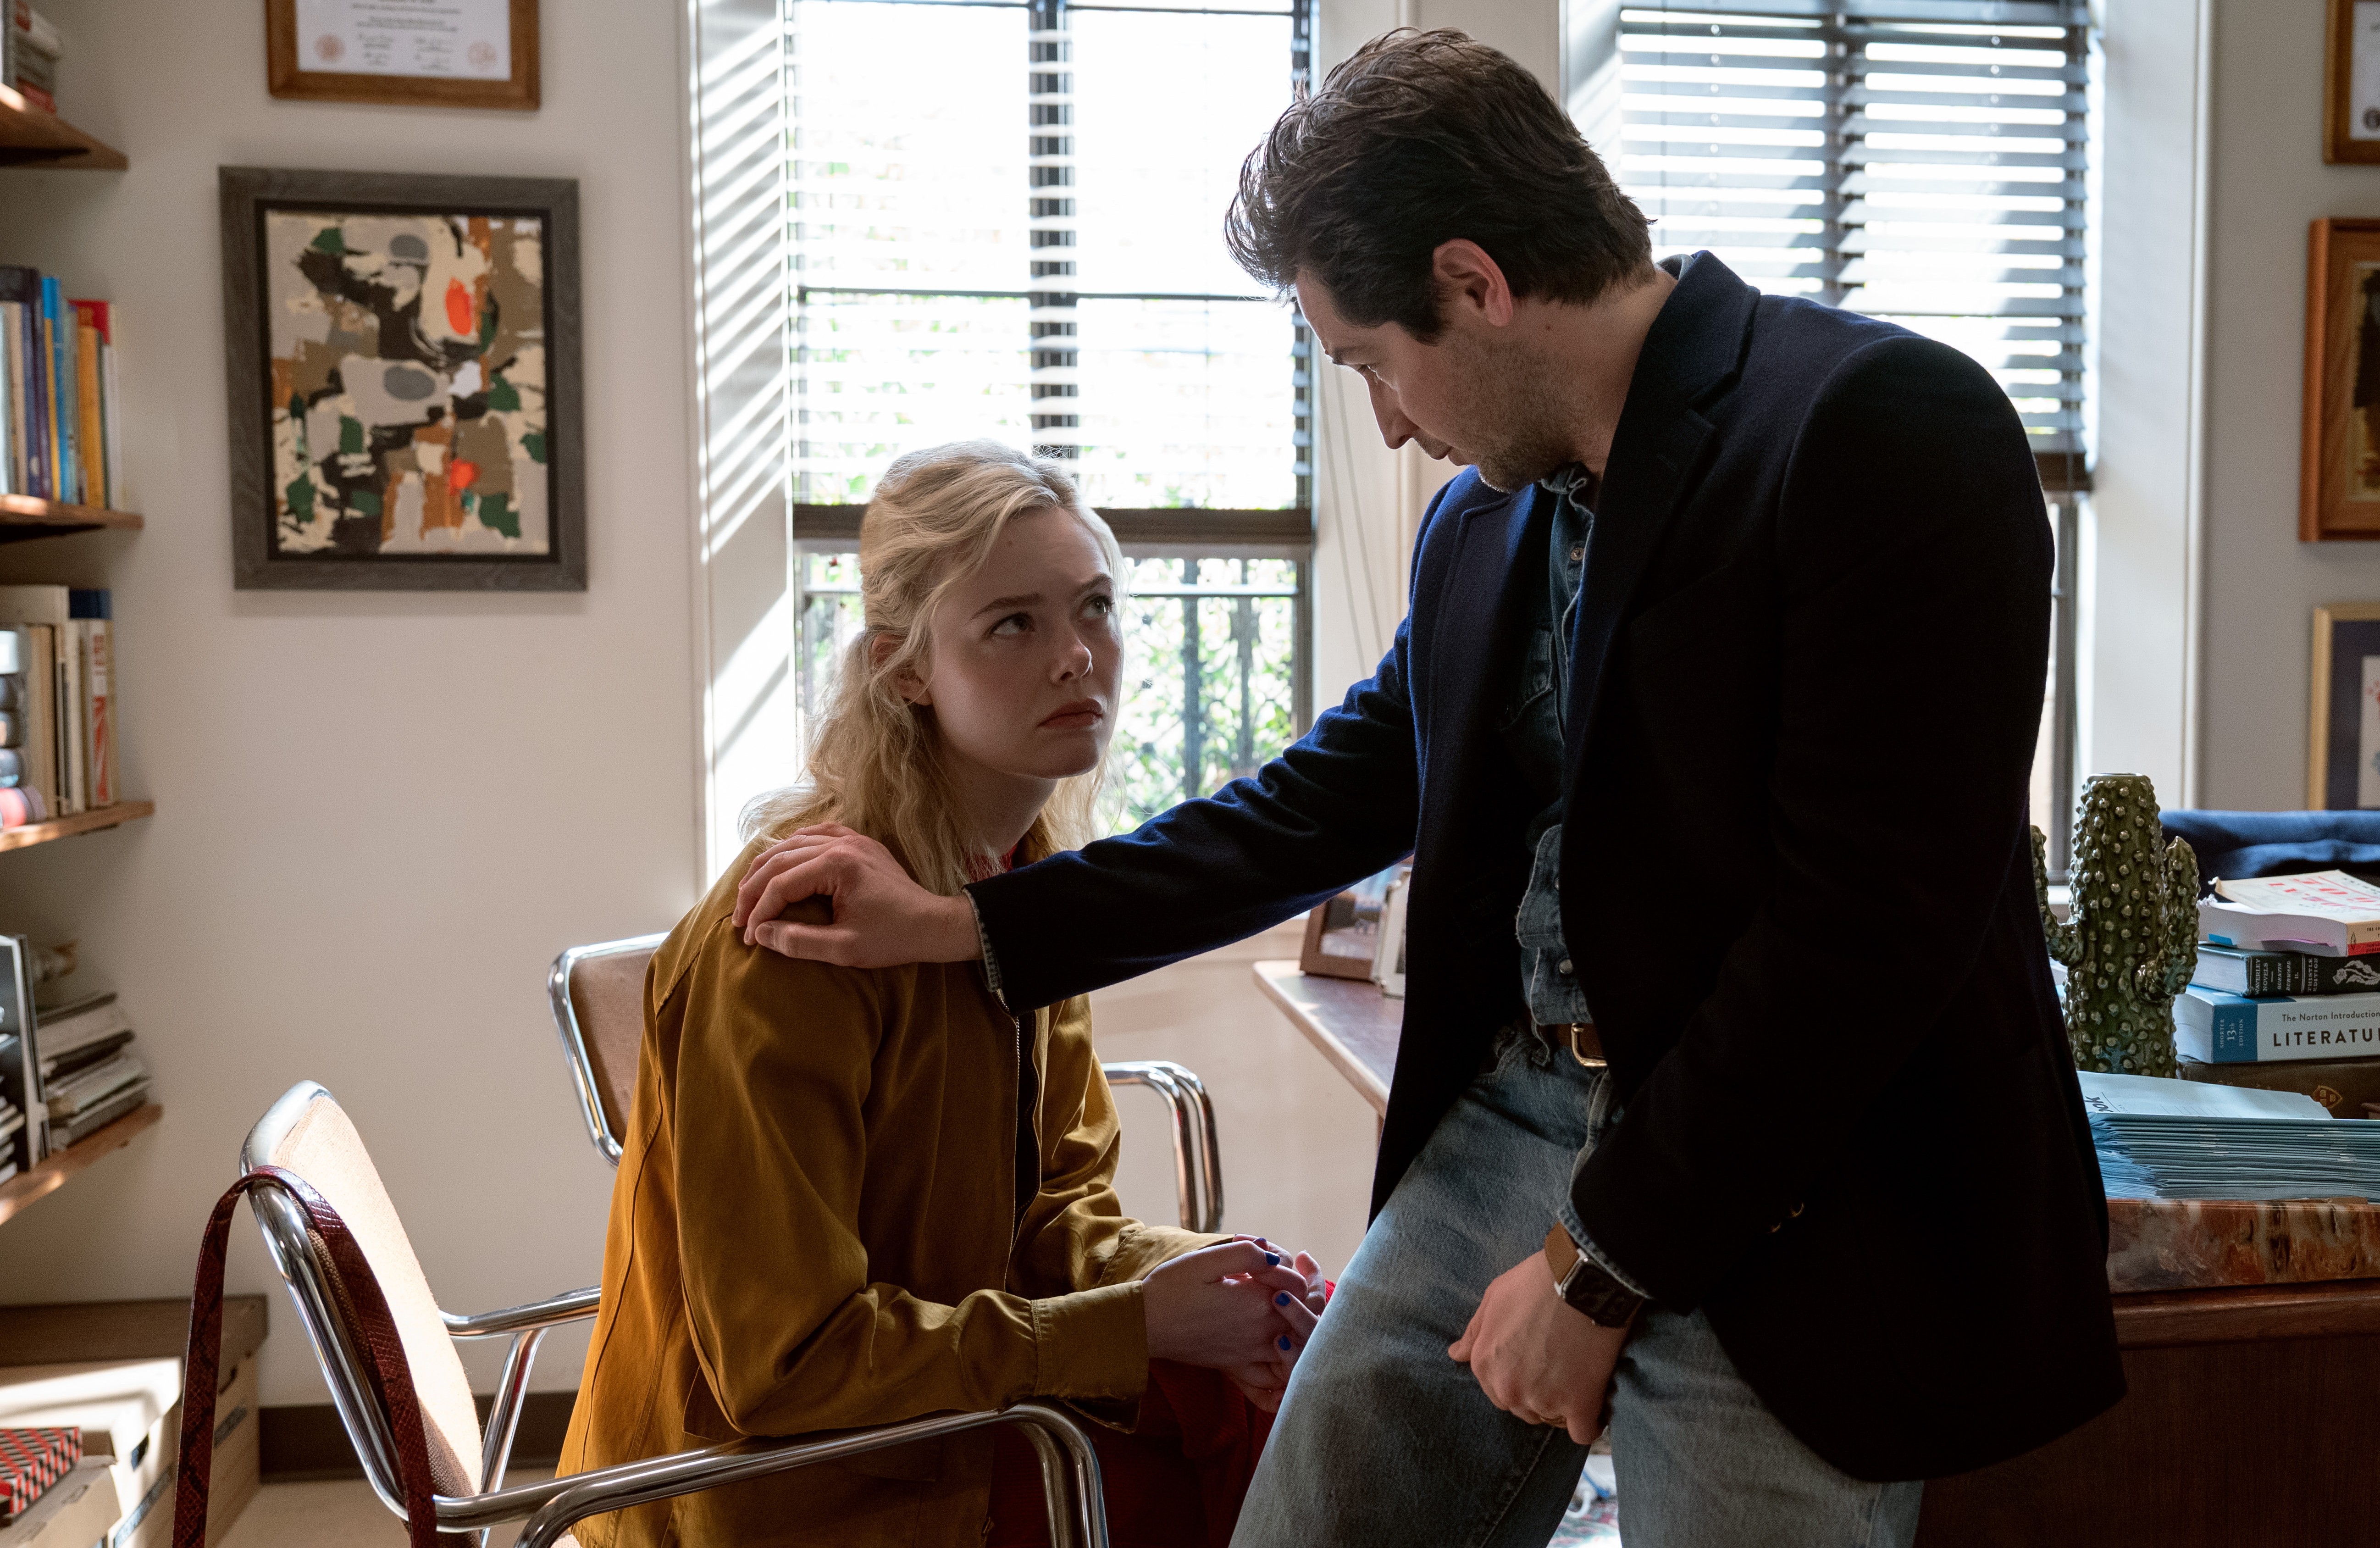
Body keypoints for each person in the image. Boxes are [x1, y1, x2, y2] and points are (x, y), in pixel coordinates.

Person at [731, 30, 2124, 1548]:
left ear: (1473, 282)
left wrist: (1598, 1266)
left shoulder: (1881, 426)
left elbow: (1864, 936)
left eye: (1372, 362)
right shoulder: (1480, 524)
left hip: (1802, 1162)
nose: (1388, 417)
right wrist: (975, 927)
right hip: (1519, 1110)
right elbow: (1324, 800)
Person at [558, 442, 1326, 1548]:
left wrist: (1205, 1282)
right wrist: (1132, 1325)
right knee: (1289, 1446)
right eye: (1013, 623)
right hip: (799, 1485)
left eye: (1096, 606)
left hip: (945, 1414)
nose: (1078, 655)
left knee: (1302, 1367)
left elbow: (1057, 1212)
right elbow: (784, 1366)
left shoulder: (1026, 891)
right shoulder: (797, 937)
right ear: (904, 668)